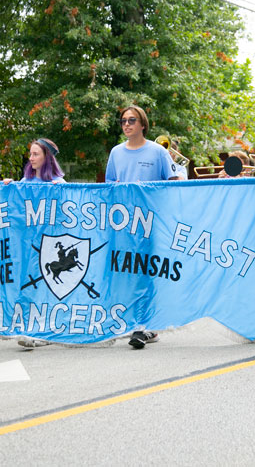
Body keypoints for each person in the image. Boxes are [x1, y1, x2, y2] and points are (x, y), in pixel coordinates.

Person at [105, 105, 178, 349]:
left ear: (143, 124)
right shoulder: (116, 152)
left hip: (151, 221)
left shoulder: (158, 152)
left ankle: (143, 326)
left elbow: (174, 183)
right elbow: (109, 185)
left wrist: (150, 192)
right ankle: (137, 323)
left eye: (131, 120)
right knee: (129, 272)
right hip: (124, 224)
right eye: (123, 121)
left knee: (146, 272)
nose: (126, 124)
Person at [7, 138, 65, 348]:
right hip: (28, 244)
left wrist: (60, 193)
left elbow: (65, 215)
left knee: (45, 286)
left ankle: (45, 331)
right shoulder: (26, 181)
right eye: (30, 154)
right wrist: (8, 187)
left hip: (49, 243)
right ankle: (28, 327)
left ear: (46, 157)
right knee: (28, 285)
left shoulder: (58, 183)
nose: (31, 158)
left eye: (35, 154)